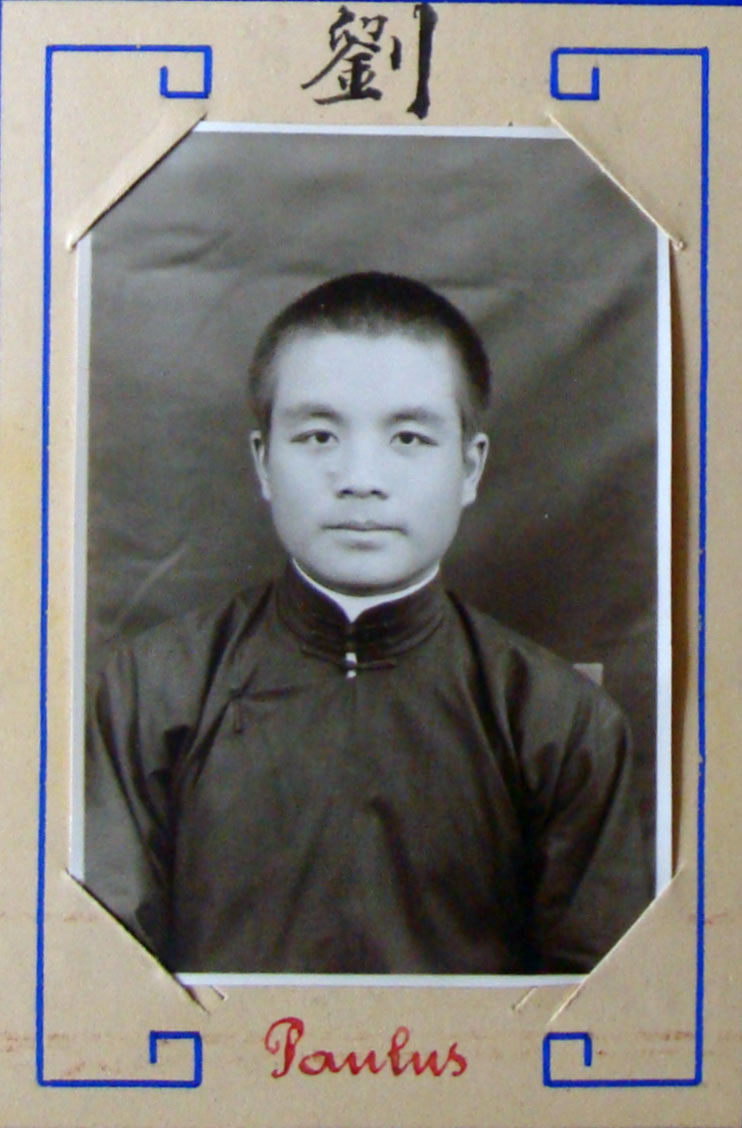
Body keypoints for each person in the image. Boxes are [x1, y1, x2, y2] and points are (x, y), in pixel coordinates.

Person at [85, 271, 651, 976]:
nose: (360, 478)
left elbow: (599, 1004)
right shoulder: (152, 692)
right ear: (263, 463)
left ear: (470, 468)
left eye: (408, 438)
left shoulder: (559, 721)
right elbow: (104, 987)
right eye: (318, 435)